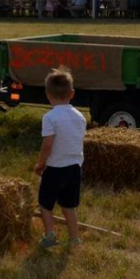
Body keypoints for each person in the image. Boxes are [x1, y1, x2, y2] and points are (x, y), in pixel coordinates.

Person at [35, 67, 86, 249]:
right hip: (74, 167)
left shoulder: (50, 117)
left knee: (45, 203)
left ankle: (50, 234)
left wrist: (41, 164)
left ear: (48, 95)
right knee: (68, 205)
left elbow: (48, 144)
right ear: (72, 93)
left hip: (55, 167)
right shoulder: (80, 117)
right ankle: (74, 239)